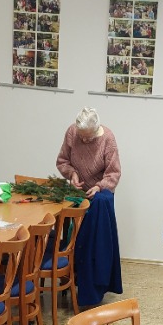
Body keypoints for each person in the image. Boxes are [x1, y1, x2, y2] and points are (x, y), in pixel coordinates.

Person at [56, 107, 123, 307]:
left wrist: (99, 186)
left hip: (100, 193)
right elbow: (62, 161)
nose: (84, 140)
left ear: (96, 129)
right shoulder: (72, 132)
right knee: (72, 229)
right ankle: (70, 271)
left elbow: (113, 173)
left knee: (95, 229)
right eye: (81, 136)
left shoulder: (107, 138)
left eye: (88, 137)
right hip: (78, 191)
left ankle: (93, 281)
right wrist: (72, 174)